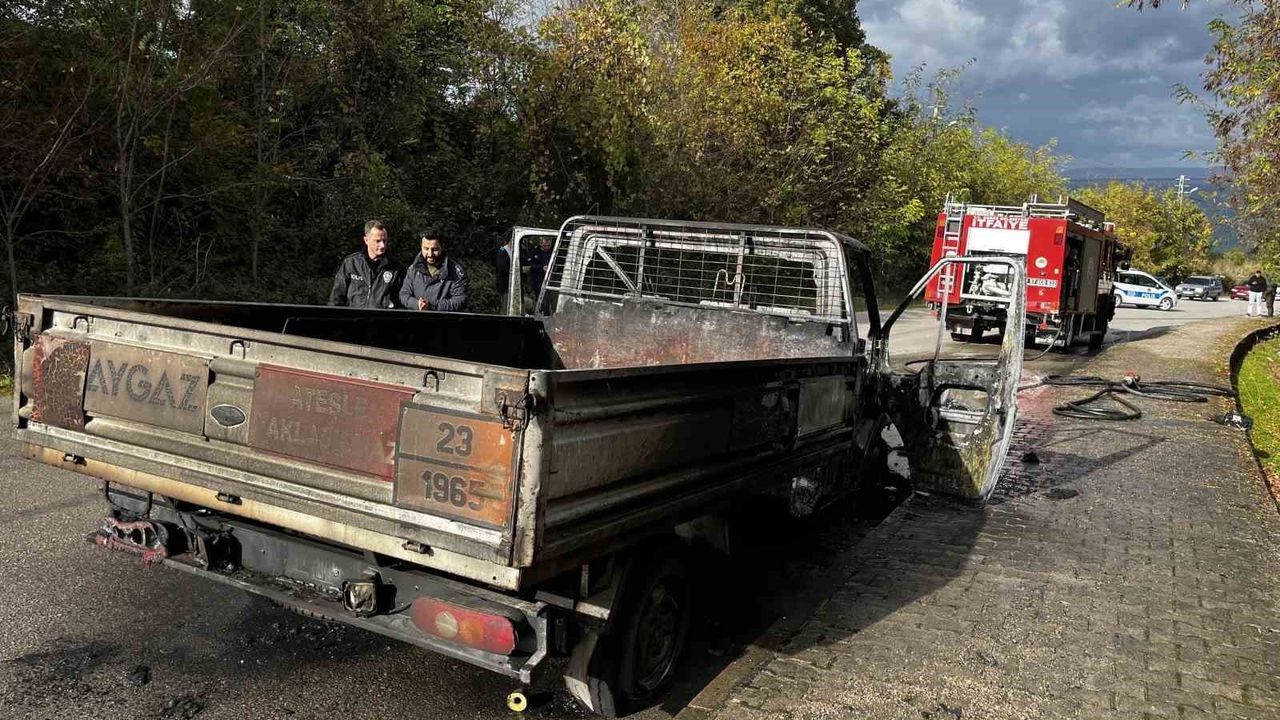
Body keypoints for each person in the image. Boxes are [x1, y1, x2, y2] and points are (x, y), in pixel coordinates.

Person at [328, 220, 404, 309]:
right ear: (366, 240)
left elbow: (401, 301)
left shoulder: (396, 267)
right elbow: (336, 298)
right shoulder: (351, 263)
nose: (382, 245)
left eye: (384, 240)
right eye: (378, 241)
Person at [401, 231, 469, 312]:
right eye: (426, 249)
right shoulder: (413, 269)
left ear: (442, 247)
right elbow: (404, 294)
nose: (430, 254)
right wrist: (417, 304)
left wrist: (431, 306)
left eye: (435, 249)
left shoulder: (456, 273)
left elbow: (460, 301)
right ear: (421, 247)